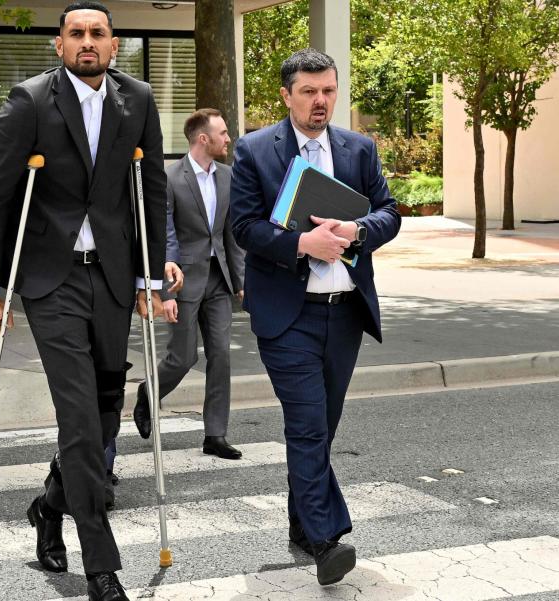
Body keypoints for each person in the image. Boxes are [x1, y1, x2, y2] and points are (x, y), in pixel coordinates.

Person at [0, 2, 166, 599]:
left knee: (103, 420)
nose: (87, 42)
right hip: (50, 282)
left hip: (110, 277)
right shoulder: (30, 101)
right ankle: (101, 566)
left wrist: (149, 279)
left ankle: (49, 506)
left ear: (114, 44)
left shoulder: (139, 101)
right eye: (76, 33)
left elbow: (149, 190)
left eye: (97, 34)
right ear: (58, 44)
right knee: (79, 419)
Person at [230, 48, 401, 585]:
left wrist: (357, 232)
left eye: (328, 90)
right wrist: (301, 242)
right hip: (288, 316)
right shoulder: (256, 150)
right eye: (308, 91)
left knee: (321, 429)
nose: (321, 101)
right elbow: (243, 227)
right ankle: (328, 539)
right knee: (306, 426)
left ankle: (301, 525)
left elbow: (389, 212)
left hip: (345, 313)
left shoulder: (359, 149)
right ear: (286, 96)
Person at [132, 108, 245, 461]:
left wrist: (240, 281)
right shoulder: (170, 178)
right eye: (223, 133)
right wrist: (164, 292)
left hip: (219, 280)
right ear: (203, 139)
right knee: (182, 357)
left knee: (221, 355)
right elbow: (165, 237)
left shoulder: (229, 176)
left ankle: (215, 434)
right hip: (182, 281)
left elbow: (231, 235)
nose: (228, 139)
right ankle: (149, 392)